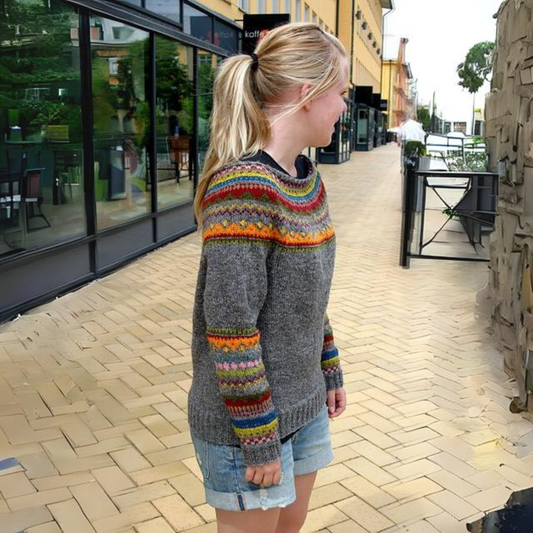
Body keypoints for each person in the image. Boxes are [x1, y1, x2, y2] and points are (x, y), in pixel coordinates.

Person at [189, 22, 347, 533]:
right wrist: (258, 436)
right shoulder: (243, 191)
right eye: (341, 93)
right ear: (307, 94)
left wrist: (328, 367)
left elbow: (308, 297)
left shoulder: (307, 180)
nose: (344, 106)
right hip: (248, 426)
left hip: (304, 407)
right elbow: (230, 328)